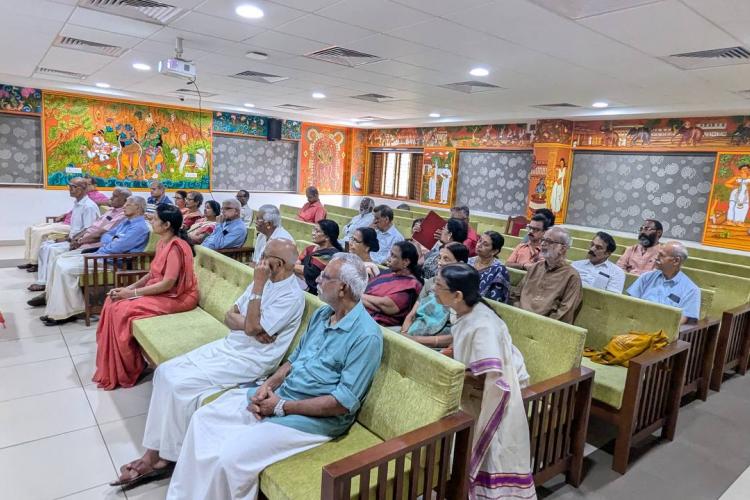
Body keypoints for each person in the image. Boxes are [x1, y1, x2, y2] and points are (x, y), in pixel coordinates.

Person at [165, 253, 383, 500]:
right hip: (283, 395)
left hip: (313, 420)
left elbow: (342, 403)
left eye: (325, 277)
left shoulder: (366, 336)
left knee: (230, 456)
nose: (318, 280)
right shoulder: (323, 315)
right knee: (204, 418)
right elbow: (294, 359)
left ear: (342, 288)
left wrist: (280, 407)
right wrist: (268, 385)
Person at [110, 239, 304, 489]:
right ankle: (157, 452)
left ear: (277, 264)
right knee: (165, 372)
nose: (259, 261)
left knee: (179, 385)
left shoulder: (290, 295)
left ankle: (161, 460)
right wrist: (247, 324)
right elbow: (229, 315)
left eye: (264, 257)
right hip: (230, 345)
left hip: (252, 360)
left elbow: (253, 327)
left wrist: (254, 301)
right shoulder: (264, 281)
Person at [434, 264, 534, 499]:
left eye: (439, 286)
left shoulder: (483, 324)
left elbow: (484, 378)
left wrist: (450, 371)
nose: (434, 290)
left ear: (457, 295)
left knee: (492, 449)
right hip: (473, 382)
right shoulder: (464, 308)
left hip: (496, 391)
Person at [93, 204, 199, 390]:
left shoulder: (176, 247)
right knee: (113, 300)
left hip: (178, 297)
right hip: (162, 291)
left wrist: (131, 294)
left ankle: (130, 368)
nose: (151, 221)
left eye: (155, 219)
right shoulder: (162, 242)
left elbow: (168, 284)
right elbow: (152, 274)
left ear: (166, 225)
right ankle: (117, 364)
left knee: (121, 309)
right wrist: (128, 288)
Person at [31, 196, 151, 325]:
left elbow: (117, 247)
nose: (124, 206)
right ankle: (55, 306)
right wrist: (111, 240)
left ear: (137, 207)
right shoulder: (126, 222)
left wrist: (110, 241)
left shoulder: (139, 227)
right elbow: (106, 235)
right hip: (102, 255)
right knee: (57, 260)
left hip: (112, 262)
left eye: (128, 204)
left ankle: (67, 312)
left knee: (65, 268)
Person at [29, 187, 130, 293]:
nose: (111, 198)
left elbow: (101, 234)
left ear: (125, 201)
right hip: (83, 240)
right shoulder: (110, 211)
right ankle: (48, 288)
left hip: (93, 246)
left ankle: (50, 289)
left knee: (57, 257)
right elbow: (90, 227)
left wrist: (79, 241)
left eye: (115, 196)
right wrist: (74, 238)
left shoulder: (121, 216)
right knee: (47, 248)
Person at [18, 177, 101, 272]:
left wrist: (73, 240)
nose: (69, 190)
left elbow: (88, 229)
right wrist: (67, 237)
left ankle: (43, 279)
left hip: (79, 241)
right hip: (71, 236)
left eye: (71, 187)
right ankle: (37, 269)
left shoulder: (89, 206)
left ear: (79, 189)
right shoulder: (78, 203)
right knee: (44, 245)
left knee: (50, 249)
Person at [401, 242, 468, 348]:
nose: (440, 262)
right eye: (440, 257)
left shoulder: (463, 292)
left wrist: (415, 340)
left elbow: (455, 335)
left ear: (460, 264)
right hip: (414, 332)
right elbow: (412, 315)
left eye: (446, 259)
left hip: (438, 345)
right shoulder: (431, 282)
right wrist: (404, 334)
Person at [510, 227, 583, 324]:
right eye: (543, 240)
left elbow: (565, 313)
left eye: (548, 241)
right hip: (518, 319)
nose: (543, 244)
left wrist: (539, 325)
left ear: (562, 248)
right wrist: (519, 315)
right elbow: (515, 296)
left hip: (543, 328)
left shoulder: (572, 276)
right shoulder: (535, 267)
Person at [627, 241, 701, 325]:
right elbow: (630, 304)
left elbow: (681, 322)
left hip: (663, 333)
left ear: (676, 261)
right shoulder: (646, 277)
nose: (656, 258)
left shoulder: (691, 290)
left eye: (661, 255)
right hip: (636, 325)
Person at [362, 241, 423, 327]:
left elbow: (386, 306)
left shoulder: (412, 285)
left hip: (377, 325)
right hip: (360, 312)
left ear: (406, 262)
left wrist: (357, 296)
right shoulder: (389, 273)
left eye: (393, 256)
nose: (389, 259)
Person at [295, 220, 343, 295]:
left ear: (327, 237)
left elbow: (309, 272)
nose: (313, 233)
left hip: (313, 289)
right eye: (313, 230)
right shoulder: (313, 248)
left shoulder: (331, 255)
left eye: (317, 231)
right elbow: (300, 260)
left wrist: (287, 265)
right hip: (301, 281)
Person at [469, 231, 511, 303]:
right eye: (480, 240)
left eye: (485, 244)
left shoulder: (499, 270)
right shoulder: (468, 261)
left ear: (494, 251)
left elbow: (495, 300)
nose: (479, 245)